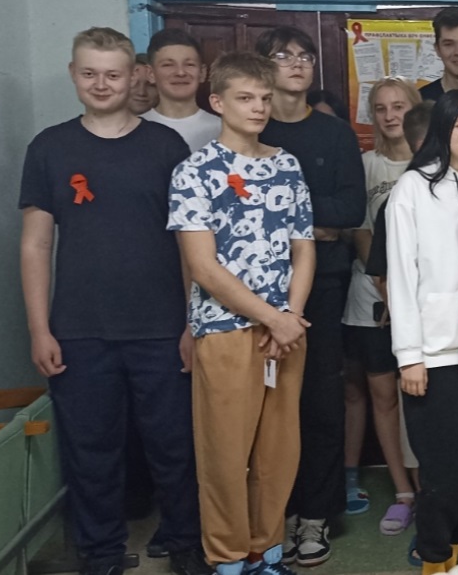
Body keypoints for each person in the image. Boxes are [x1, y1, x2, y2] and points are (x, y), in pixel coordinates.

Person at [20, 27, 204, 575]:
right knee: (91, 452)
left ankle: (186, 543)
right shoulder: (49, 147)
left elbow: (189, 244)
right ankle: (100, 554)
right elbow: (35, 244)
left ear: (134, 77)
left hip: (162, 327)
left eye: (113, 74)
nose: (101, 84)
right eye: (89, 73)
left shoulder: (165, 147)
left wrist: (192, 322)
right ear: (73, 74)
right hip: (78, 330)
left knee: (175, 448)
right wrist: (39, 329)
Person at [168, 51, 315, 575]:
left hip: (286, 332)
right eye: (245, 98)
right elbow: (203, 266)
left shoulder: (286, 165)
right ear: (218, 102)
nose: (258, 107)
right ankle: (228, 558)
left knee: (278, 452)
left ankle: (265, 551)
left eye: (264, 98)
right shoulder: (195, 172)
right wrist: (271, 317)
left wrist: (290, 315)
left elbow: (303, 248)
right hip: (226, 330)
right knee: (225, 454)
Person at [254, 26, 366, 567]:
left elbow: (350, 210)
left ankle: (316, 515)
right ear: (263, 67)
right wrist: (312, 223)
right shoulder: (253, 128)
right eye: (283, 56)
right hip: (256, 290)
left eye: (304, 56)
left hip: (323, 286)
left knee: (320, 402)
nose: (296, 63)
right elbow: (244, 212)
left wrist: (286, 214)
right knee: (268, 406)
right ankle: (278, 513)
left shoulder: (334, 134)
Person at [387, 90, 458, 575]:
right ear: (442, 131)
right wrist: (409, 355)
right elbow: (401, 275)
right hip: (432, 356)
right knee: (444, 472)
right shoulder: (413, 188)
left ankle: (453, 560)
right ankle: (433, 561)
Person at [339, 78, 419, 532]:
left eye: (399, 106)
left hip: (421, 302)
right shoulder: (365, 164)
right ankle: (402, 490)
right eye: (381, 108)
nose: (390, 116)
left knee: (419, 395)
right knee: (383, 395)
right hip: (373, 298)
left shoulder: (430, 163)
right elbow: (362, 233)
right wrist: (388, 290)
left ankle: (427, 485)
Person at [143, 29, 221, 152]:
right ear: (151, 73)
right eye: (168, 65)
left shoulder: (222, 130)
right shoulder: (133, 130)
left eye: (189, 64)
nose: (180, 72)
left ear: (202, 72)